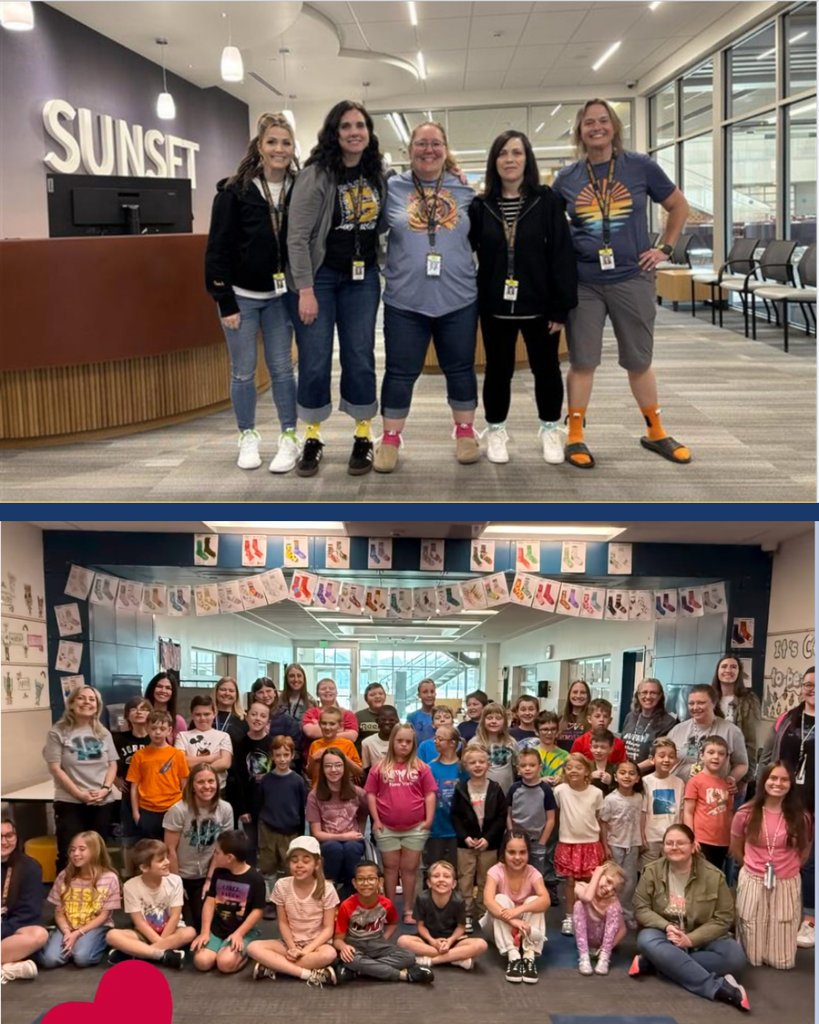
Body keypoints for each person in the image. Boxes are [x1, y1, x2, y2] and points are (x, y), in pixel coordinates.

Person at [552, 98, 692, 469]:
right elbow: (549, 223)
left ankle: (656, 431)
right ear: (579, 131)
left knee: (638, 360)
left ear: (614, 127)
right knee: (583, 361)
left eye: (603, 120)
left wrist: (665, 247)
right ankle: (575, 435)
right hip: (584, 282)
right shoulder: (567, 178)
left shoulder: (640, 166)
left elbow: (679, 205)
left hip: (632, 276)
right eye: (588, 122)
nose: (596, 127)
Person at [285, 100, 386, 476]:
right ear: (334, 133)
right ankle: (312, 437)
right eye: (346, 126)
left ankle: (363, 434)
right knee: (314, 359)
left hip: (363, 278)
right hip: (321, 280)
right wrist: (305, 290)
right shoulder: (316, 175)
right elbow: (296, 238)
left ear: (368, 132)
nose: (354, 132)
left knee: (360, 355)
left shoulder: (377, 174)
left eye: (360, 125)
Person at [375, 119, 480, 473]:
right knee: (399, 371)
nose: (428, 150)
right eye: (421, 143)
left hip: (458, 298)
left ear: (446, 150)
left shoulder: (463, 188)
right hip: (405, 300)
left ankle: (465, 432)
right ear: (410, 150)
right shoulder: (392, 187)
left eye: (436, 143)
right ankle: (390, 438)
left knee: (460, 368)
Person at [469, 130, 577, 464]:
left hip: (540, 305)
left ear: (527, 159)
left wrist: (560, 306)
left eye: (517, 152)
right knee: (497, 372)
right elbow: (465, 249)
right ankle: (496, 429)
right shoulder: (481, 206)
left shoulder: (546, 201)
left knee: (546, 370)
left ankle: (550, 428)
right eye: (503, 153)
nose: (510, 159)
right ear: (494, 161)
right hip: (495, 306)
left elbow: (562, 254)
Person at [204, 111, 300, 473]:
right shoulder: (235, 191)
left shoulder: (298, 188)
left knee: (282, 369)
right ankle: (247, 435)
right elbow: (217, 250)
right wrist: (224, 300)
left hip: (280, 298)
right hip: (241, 297)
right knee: (243, 372)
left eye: (286, 143)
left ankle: (288, 436)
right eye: (272, 142)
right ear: (259, 146)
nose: (279, 149)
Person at [632, 824, 749, 1011]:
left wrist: (691, 939)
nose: (674, 847)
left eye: (680, 843)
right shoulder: (652, 871)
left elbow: (724, 918)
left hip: (703, 937)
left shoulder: (714, 876)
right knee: (645, 939)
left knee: (736, 958)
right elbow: (641, 908)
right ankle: (718, 989)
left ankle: (656, 963)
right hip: (665, 935)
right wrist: (666, 926)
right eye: (669, 843)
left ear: (693, 846)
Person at [730, 762, 812, 970]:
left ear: (791, 784)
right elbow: (736, 847)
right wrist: (752, 867)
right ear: (764, 781)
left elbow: (804, 850)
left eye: (784, 779)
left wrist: (788, 868)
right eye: (773, 778)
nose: (778, 783)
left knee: (781, 959)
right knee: (752, 950)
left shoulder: (801, 816)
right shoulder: (746, 812)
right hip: (753, 878)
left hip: (786, 880)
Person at [758, 666, 815, 948]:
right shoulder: (787, 719)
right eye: (807, 684)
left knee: (811, 862)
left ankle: (810, 919)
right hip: (784, 799)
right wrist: (760, 791)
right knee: (782, 855)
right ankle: (782, 914)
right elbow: (767, 756)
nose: (811, 689)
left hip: (813, 801)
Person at [365, 723, 437, 923]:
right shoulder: (379, 767)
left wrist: (428, 820)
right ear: (392, 742)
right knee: (390, 868)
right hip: (386, 826)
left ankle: (408, 910)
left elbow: (430, 794)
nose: (404, 745)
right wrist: (376, 820)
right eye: (400, 741)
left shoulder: (422, 767)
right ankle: (389, 909)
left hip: (415, 827)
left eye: (408, 742)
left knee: (409, 869)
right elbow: (371, 794)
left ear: (413, 744)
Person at [43, 685, 119, 871]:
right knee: (70, 853)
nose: (87, 702)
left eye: (92, 699)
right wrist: (79, 794)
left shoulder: (103, 733)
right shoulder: (57, 732)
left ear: (97, 706)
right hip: (70, 802)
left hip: (101, 802)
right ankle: (67, 888)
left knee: (97, 854)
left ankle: (96, 888)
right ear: (72, 703)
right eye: (81, 698)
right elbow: (55, 768)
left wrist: (105, 789)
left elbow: (112, 764)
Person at [247, 835, 339, 985]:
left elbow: (328, 929)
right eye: (294, 860)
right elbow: (283, 922)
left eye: (306, 861)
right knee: (253, 947)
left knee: (329, 954)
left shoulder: (327, 889)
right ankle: (307, 974)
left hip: (316, 945)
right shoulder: (281, 885)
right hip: (289, 944)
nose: (299, 865)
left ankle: (275, 966)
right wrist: (292, 948)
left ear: (317, 864)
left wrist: (305, 951)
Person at [333, 859, 432, 984]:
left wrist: (384, 938)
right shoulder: (346, 906)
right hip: (355, 946)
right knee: (352, 960)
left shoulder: (386, 904)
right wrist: (344, 947)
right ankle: (403, 975)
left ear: (380, 881)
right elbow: (337, 940)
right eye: (361, 879)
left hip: (377, 944)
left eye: (371, 879)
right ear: (354, 883)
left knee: (409, 957)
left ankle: (360, 970)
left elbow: (393, 923)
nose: (366, 883)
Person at [163, 764, 234, 932]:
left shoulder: (225, 809)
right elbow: (169, 850)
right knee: (187, 927)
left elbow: (221, 849)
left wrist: (210, 880)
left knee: (208, 924)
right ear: (192, 786)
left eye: (211, 781)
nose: (207, 786)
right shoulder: (178, 810)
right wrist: (177, 885)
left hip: (208, 874)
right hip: (180, 875)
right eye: (201, 782)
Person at [106, 838, 196, 967]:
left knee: (190, 932)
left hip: (172, 931)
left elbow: (175, 916)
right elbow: (139, 923)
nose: (167, 862)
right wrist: (161, 944)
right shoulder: (130, 886)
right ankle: (163, 955)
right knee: (112, 935)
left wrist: (160, 941)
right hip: (144, 933)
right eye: (160, 860)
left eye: (166, 857)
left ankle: (135, 953)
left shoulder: (175, 881)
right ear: (144, 867)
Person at [38, 831, 121, 969]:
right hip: (67, 925)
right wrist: (67, 932)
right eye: (72, 850)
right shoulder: (64, 876)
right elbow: (59, 911)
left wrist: (78, 933)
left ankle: (99, 942)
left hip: (95, 926)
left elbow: (104, 915)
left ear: (95, 851)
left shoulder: (109, 878)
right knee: (49, 960)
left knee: (82, 958)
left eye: (82, 849)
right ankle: (62, 940)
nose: (75, 854)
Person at [190, 830, 266, 974]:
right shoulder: (219, 872)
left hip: (242, 929)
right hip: (218, 928)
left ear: (229, 858)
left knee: (225, 964)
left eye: (217, 853)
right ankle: (221, 948)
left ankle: (248, 949)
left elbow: (258, 911)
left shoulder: (255, 879)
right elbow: (210, 901)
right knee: (202, 962)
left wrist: (239, 933)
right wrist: (204, 932)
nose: (214, 855)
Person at [451, 746, 508, 934]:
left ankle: (485, 911)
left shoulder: (495, 789)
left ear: (488, 765)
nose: (477, 765)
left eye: (481, 762)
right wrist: (465, 837)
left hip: (488, 845)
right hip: (466, 844)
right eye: (473, 762)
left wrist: (488, 838)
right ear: (465, 766)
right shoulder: (460, 789)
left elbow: (501, 817)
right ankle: (466, 913)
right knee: (465, 878)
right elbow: (455, 817)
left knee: (487, 879)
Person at [482, 830, 550, 983]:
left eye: (522, 852)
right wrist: (513, 920)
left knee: (535, 901)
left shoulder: (534, 873)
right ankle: (513, 956)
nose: (517, 857)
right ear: (504, 853)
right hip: (499, 928)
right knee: (500, 899)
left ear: (528, 853)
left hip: (525, 928)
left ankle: (529, 956)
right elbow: (488, 901)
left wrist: (518, 911)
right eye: (512, 852)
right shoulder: (495, 871)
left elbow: (546, 900)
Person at [397, 860, 487, 970]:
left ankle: (432, 960)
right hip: (428, 940)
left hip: (452, 942)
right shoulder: (422, 898)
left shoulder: (458, 901)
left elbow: (461, 927)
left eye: (446, 876)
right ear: (429, 883)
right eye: (436, 876)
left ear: (453, 884)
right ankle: (455, 958)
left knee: (481, 944)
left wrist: (450, 941)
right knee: (402, 941)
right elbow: (420, 925)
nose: (441, 880)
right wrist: (432, 941)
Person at [554, 753, 606, 935]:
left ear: (587, 771)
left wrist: (605, 845)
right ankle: (570, 916)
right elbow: (556, 814)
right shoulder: (559, 791)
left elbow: (599, 819)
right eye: (569, 768)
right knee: (569, 882)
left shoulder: (596, 793)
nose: (573, 771)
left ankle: (588, 916)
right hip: (568, 842)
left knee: (590, 882)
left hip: (590, 843)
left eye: (578, 767)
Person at [306, 748, 368, 896]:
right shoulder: (314, 796)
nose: (333, 770)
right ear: (322, 769)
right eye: (328, 766)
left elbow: (364, 814)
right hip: (327, 841)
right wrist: (344, 836)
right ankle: (329, 888)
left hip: (353, 841)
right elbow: (317, 833)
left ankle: (350, 888)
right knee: (334, 848)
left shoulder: (357, 792)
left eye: (338, 765)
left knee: (352, 848)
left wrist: (359, 831)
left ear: (344, 767)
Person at [257, 735, 307, 901]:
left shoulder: (298, 781)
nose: (282, 759)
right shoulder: (266, 780)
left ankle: (287, 897)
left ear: (292, 755)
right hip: (268, 829)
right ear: (272, 756)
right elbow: (260, 803)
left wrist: (300, 832)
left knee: (289, 864)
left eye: (286, 755)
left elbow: (301, 807)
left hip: (290, 830)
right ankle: (270, 896)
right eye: (278, 755)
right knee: (268, 863)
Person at [667, 685, 748, 785]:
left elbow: (742, 764)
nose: (695, 707)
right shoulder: (677, 729)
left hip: (713, 790)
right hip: (680, 788)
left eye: (701, 703)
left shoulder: (732, 731)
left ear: (714, 703)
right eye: (691, 703)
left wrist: (731, 778)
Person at [127, 711, 190, 841]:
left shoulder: (177, 754)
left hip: (173, 807)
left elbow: (184, 784)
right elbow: (134, 787)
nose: (157, 732)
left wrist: (185, 809)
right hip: (147, 809)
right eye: (153, 728)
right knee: (151, 848)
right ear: (147, 729)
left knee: (172, 846)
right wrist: (135, 813)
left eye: (162, 728)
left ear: (169, 730)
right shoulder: (139, 756)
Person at [0, 818, 48, 984]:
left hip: (9, 933)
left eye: (9, 836)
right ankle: (7, 969)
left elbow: (28, 914)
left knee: (38, 934)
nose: (4, 842)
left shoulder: (30, 867)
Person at [599, 760, 643, 928]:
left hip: (632, 844)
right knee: (612, 880)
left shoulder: (639, 798)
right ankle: (609, 913)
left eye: (632, 773)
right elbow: (603, 823)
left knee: (630, 881)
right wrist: (605, 846)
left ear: (637, 778)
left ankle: (626, 913)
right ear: (615, 777)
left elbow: (642, 820)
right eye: (622, 773)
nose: (627, 776)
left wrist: (642, 839)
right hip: (614, 844)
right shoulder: (610, 799)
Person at [113, 697, 153, 875]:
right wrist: (115, 779)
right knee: (129, 839)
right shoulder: (118, 739)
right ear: (127, 715)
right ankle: (128, 877)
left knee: (152, 839)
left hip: (152, 796)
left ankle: (150, 875)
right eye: (134, 709)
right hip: (129, 795)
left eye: (143, 709)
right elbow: (107, 762)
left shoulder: (155, 738)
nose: (138, 712)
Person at [711, 656, 762, 789]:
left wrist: (746, 777)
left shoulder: (749, 700)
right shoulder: (709, 698)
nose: (728, 670)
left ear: (739, 672)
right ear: (717, 671)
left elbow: (752, 740)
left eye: (733, 667)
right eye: (724, 666)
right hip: (709, 768)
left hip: (737, 770)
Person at [683, 736, 733, 870]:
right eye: (711, 752)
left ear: (726, 758)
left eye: (721, 754)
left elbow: (729, 814)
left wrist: (731, 840)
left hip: (722, 842)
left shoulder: (727, 784)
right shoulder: (695, 782)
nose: (716, 757)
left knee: (715, 877)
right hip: (701, 841)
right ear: (702, 756)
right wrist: (691, 838)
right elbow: (688, 812)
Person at [507, 747, 557, 878]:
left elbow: (551, 819)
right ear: (518, 769)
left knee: (536, 876)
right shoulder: (514, 788)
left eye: (532, 765)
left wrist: (542, 842)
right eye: (523, 765)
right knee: (516, 874)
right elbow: (508, 814)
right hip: (517, 840)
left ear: (540, 768)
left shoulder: (545, 790)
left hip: (537, 841)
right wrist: (511, 835)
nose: (527, 769)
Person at [422, 725, 464, 877]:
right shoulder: (429, 768)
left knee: (455, 872)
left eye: (440, 739)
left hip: (458, 830)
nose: (436, 741)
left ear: (453, 743)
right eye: (435, 738)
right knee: (433, 870)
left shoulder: (463, 768)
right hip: (436, 829)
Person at [174, 696, 233, 792]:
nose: (202, 718)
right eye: (198, 714)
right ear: (192, 715)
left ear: (214, 714)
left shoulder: (224, 736)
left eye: (206, 714)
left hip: (218, 790)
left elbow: (225, 763)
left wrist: (196, 768)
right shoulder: (182, 736)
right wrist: (210, 758)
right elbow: (180, 762)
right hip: (191, 790)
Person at [641, 737, 685, 866]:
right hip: (651, 838)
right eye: (662, 756)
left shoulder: (679, 783)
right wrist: (641, 836)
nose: (666, 760)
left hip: (672, 839)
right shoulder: (645, 782)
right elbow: (642, 812)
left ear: (676, 760)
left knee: (670, 871)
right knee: (649, 872)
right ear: (652, 759)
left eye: (671, 756)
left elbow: (682, 812)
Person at [620, 678, 678, 769]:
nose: (648, 696)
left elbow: (662, 755)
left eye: (653, 693)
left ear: (660, 696)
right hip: (625, 773)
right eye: (644, 692)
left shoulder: (668, 722)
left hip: (648, 775)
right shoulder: (630, 716)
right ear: (638, 695)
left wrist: (633, 769)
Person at [301, 678, 359, 760]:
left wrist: (318, 728)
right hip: (315, 760)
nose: (327, 690)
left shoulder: (348, 714)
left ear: (336, 692)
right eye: (323, 689)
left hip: (342, 760)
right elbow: (310, 732)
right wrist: (340, 730)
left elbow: (352, 736)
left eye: (331, 688)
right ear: (317, 694)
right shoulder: (311, 712)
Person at [468, 702, 518, 794]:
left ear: (505, 721)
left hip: (506, 793)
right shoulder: (474, 743)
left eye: (498, 718)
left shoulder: (511, 742)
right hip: (481, 793)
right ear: (483, 721)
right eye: (489, 718)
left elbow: (516, 767)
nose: (494, 721)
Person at [306, 707, 362, 781]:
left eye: (332, 724)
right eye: (324, 723)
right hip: (319, 786)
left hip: (342, 786)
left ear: (340, 726)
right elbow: (309, 775)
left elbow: (359, 772)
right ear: (319, 724)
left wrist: (343, 757)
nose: (327, 727)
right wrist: (313, 759)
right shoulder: (315, 745)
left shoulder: (348, 744)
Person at [571, 697, 627, 762]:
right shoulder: (580, 742)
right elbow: (572, 763)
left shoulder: (619, 743)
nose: (601, 720)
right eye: (597, 716)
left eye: (605, 716)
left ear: (610, 720)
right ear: (589, 719)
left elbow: (623, 765)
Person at [144, 672, 188, 742]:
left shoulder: (178, 721)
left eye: (168, 688)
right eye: (159, 686)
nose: (163, 691)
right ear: (152, 688)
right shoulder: (141, 716)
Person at [211, 677, 249, 748]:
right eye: (223, 690)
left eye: (231, 691)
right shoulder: (205, 716)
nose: (227, 693)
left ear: (236, 695)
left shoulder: (244, 720)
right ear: (216, 692)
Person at [361, 704, 399, 774]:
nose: (387, 722)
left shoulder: (402, 742)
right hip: (375, 778)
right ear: (377, 721)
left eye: (391, 720)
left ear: (397, 721)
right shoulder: (367, 743)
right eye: (383, 719)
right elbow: (366, 770)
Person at [533, 710, 569, 782]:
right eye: (545, 729)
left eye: (553, 729)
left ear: (557, 731)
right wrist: (540, 780)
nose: (549, 733)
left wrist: (562, 779)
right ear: (536, 732)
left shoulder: (565, 755)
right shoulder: (531, 754)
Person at [557, 680, 592, 751]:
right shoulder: (559, 720)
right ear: (569, 695)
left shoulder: (592, 721)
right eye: (575, 692)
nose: (578, 696)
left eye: (583, 692)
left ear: (588, 696)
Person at [355, 682, 387, 755]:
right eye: (372, 695)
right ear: (366, 699)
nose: (377, 696)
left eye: (380, 694)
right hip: (363, 756)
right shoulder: (358, 716)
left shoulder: (391, 715)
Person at [406, 679, 437, 743]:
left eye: (432, 692)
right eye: (425, 692)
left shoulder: (443, 716)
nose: (429, 695)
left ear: (435, 694)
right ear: (419, 695)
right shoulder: (412, 717)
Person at [588, 729, 619, 795]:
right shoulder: (585, 767)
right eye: (595, 747)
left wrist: (611, 782)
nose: (598, 750)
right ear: (590, 747)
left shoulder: (615, 769)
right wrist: (590, 777)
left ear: (611, 748)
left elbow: (622, 790)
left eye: (603, 747)